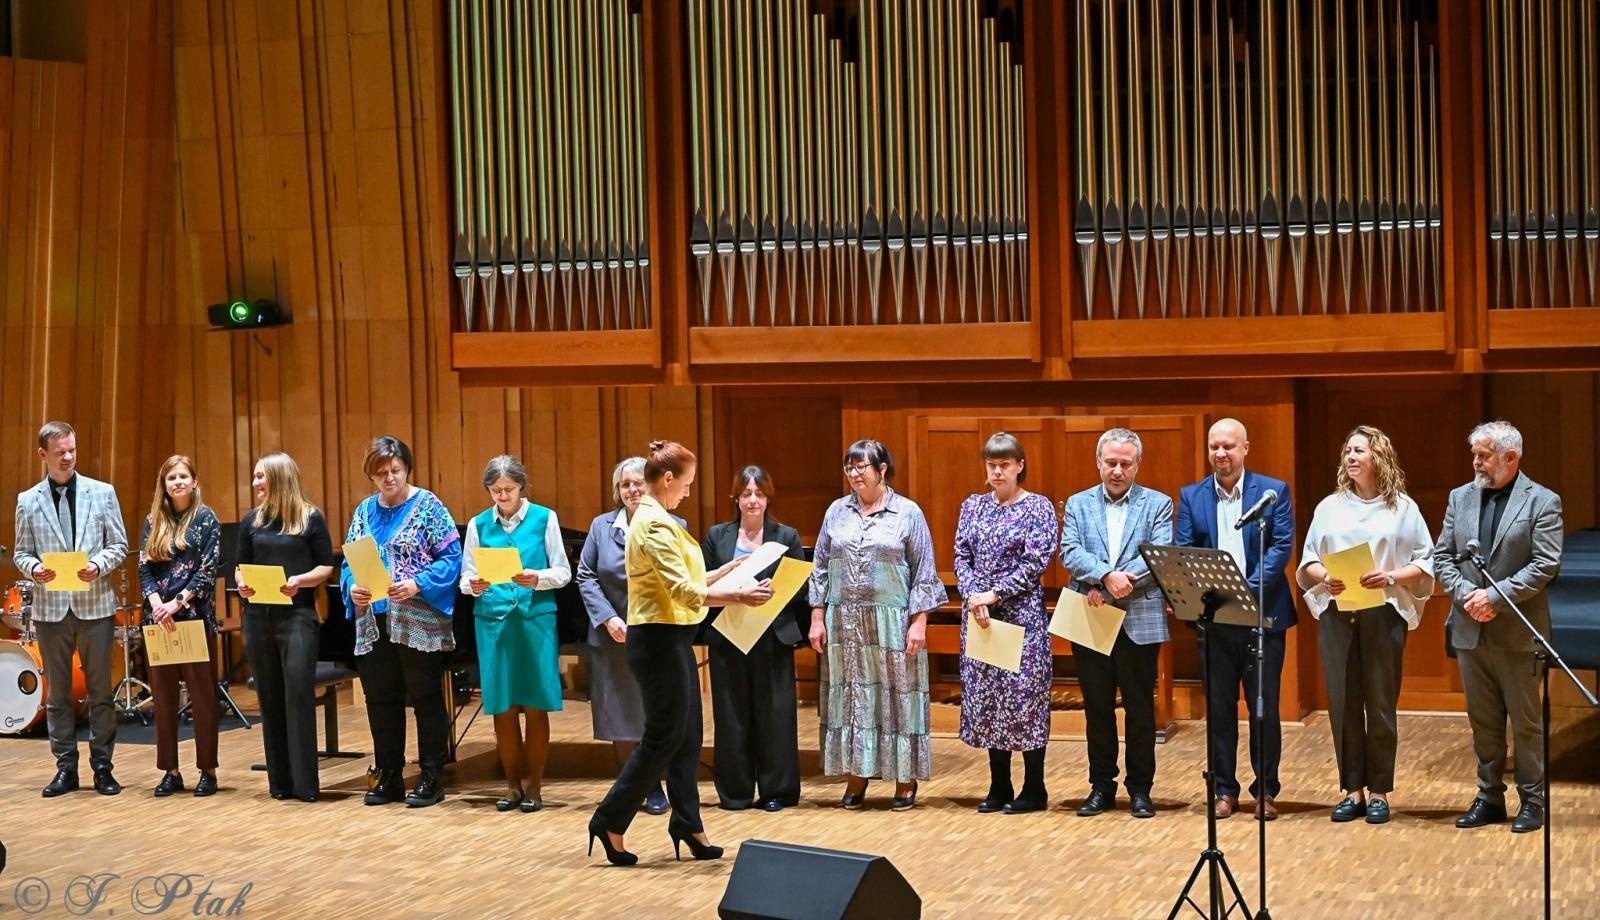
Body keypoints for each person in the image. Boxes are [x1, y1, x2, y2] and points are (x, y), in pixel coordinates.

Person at [588, 440, 773, 866]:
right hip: (656, 640)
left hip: (672, 637)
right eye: (686, 483)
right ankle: (609, 818)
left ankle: (688, 823)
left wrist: (722, 573)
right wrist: (737, 596)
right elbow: (683, 591)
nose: (689, 491)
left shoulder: (662, 519)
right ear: (667, 480)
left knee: (688, 736)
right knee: (662, 738)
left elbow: (683, 579)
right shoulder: (652, 523)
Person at [1296, 427, 1435, 824]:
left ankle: (1379, 792)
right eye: (1347, 451)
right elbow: (1308, 561)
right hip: (1339, 612)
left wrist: (1390, 577)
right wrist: (1325, 576)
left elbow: (1426, 562)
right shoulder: (1329, 507)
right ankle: (1352, 790)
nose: (1350, 457)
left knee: (1380, 703)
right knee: (1341, 703)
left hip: (1383, 612)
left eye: (1359, 450)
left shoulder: (1403, 508)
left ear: (1379, 457)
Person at [1434, 420, 1563, 834]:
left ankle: (1533, 801)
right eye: (1474, 454)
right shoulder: (1461, 497)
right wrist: (1468, 596)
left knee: (1525, 722)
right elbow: (1443, 557)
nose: (1475, 462)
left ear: (1511, 457)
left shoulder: (1542, 501)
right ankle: (1488, 797)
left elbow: (1545, 564)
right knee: (1483, 720)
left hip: (1517, 630)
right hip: (1472, 629)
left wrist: (1494, 596)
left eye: (1484, 455)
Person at [808, 439, 944, 812]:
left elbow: (925, 572)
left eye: (861, 468)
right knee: (853, 697)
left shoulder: (907, 512)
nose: (854, 475)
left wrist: (919, 622)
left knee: (899, 697)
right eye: (849, 469)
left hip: (893, 620)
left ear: (882, 469)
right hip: (845, 623)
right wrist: (817, 617)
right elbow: (820, 567)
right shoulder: (836, 511)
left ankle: (905, 778)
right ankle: (858, 773)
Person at [1175, 417, 1295, 821]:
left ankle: (1265, 790)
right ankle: (1223, 789)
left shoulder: (1273, 492)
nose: (1220, 454)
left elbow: (1280, 547)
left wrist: (1246, 589)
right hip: (1214, 621)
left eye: (1228, 446)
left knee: (1264, 709)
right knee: (1221, 711)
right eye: (1214, 447)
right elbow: (1185, 549)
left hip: (1263, 617)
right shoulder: (1192, 497)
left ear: (1246, 448)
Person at [340, 436, 462, 809]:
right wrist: (352, 587)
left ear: (407, 468)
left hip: (418, 616)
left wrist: (418, 583)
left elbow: (452, 559)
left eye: (395, 470)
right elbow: (349, 561)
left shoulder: (429, 506)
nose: (389, 478)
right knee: (380, 698)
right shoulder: (363, 511)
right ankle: (389, 775)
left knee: (424, 697)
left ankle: (430, 775)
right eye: (380, 473)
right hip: (373, 620)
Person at [1059, 428, 1173, 819]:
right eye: (1111, 462)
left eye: (1126, 463)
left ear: (1137, 465)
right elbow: (1070, 552)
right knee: (1097, 708)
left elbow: (1157, 556)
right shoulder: (1078, 503)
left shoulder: (1158, 504)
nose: (1118, 470)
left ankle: (1140, 789)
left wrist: (1107, 587)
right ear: (1098, 462)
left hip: (1139, 617)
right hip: (1089, 617)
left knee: (1141, 709)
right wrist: (1106, 576)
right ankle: (1101, 786)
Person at [14, 421, 129, 797]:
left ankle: (103, 767)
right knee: (59, 694)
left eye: (72, 450)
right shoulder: (27, 500)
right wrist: (33, 569)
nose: (68, 457)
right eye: (60, 452)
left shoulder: (102, 492)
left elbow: (119, 544)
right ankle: (65, 767)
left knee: (100, 692)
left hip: (94, 603)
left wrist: (98, 565)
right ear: (43, 454)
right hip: (50, 609)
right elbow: (20, 552)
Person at [953, 433, 1059, 814]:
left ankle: (1034, 787)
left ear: (1020, 466)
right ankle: (999, 784)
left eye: (1004, 465)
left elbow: (1035, 563)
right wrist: (972, 595)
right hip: (981, 618)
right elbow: (961, 556)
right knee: (990, 700)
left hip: (1020, 618)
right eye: (991, 465)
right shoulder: (973, 506)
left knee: (1024, 700)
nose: (997, 472)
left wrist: (994, 594)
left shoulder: (1038, 508)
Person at [460, 455, 570, 813]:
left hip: (534, 619)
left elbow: (563, 572)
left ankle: (535, 786)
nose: (502, 497)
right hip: (493, 622)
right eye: (496, 491)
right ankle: (510, 787)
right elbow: (466, 577)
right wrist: (473, 585)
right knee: (502, 707)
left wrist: (537, 578)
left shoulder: (544, 518)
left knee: (536, 705)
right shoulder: (479, 524)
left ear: (522, 487)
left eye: (508, 490)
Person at [700, 465, 806, 812]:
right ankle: (736, 792)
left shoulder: (785, 536)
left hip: (772, 638)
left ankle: (778, 791)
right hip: (729, 635)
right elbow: (705, 583)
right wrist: (738, 592)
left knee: (775, 715)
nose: (753, 500)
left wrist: (771, 593)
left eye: (759, 493)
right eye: (746, 494)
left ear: (768, 496)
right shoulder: (718, 536)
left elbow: (800, 588)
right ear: (736, 497)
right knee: (731, 715)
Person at [235, 451, 335, 802]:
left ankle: (306, 784)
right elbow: (239, 567)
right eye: (255, 476)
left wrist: (301, 580)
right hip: (258, 617)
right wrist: (243, 584)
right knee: (270, 698)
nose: (256, 483)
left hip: (297, 617)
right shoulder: (252, 521)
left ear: (279, 477)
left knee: (297, 694)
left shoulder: (310, 518)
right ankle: (279, 782)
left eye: (261, 476)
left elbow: (326, 566)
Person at [576, 457, 668, 815]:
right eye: (625, 484)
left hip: (654, 634)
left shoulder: (671, 523)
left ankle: (655, 780)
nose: (632, 489)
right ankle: (639, 785)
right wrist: (608, 619)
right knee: (620, 713)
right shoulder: (601, 527)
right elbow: (585, 575)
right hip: (612, 635)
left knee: (653, 711)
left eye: (638, 482)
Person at [137, 455, 224, 798]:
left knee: (203, 699)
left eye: (183, 476)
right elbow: (143, 566)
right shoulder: (152, 521)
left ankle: (208, 770)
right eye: (171, 477)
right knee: (163, 699)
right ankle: (170, 770)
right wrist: (157, 603)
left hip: (193, 618)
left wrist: (178, 602)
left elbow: (208, 569)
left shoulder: (207, 519)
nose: (177, 482)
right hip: (159, 621)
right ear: (165, 484)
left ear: (195, 481)